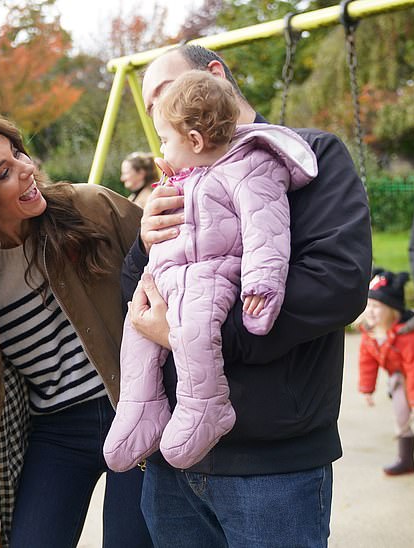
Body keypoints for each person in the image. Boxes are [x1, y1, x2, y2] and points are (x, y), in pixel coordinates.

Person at [122, 45, 372, 547]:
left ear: (214, 75)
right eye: (149, 109)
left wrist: (191, 336)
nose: (157, 115)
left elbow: (336, 283)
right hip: (174, 462)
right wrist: (145, 241)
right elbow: (137, 292)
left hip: (272, 462)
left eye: (164, 93)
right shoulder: (181, 178)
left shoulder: (307, 156)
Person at [0, 115, 151, 548]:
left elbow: (179, 269)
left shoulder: (90, 208)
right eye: (3, 172)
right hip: (56, 429)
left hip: (134, 410)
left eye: (18, 153)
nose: (26, 167)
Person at [104, 70, 318, 472]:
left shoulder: (250, 166)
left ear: (196, 141)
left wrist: (262, 284)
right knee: (136, 331)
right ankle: (140, 407)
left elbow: (266, 227)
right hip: (168, 274)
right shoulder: (186, 174)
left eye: (165, 138)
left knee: (194, 331)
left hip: (210, 275)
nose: (161, 148)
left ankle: (206, 405)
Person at [358, 269, 414, 475]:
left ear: (392, 310)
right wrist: (367, 388)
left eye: (377, 306)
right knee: (402, 414)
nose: (371, 311)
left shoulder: (409, 336)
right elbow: (367, 362)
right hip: (399, 377)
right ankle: (406, 459)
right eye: (369, 305)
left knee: (413, 407)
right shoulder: (371, 333)